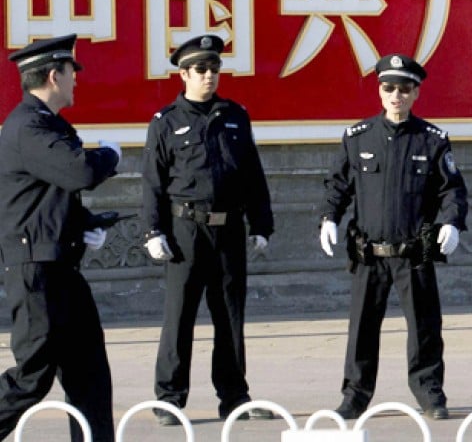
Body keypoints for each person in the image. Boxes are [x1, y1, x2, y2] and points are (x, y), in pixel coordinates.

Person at [319, 53, 468, 421]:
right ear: (379, 90)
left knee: (425, 327)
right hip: (369, 250)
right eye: (389, 88)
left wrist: (451, 222)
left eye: (404, 88)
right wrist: (328, 218)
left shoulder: (432, 140)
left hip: (415, 249)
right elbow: (337, 185)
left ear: (416, 93)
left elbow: (452, 190)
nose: (396, 95)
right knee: (362, 329)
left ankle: (430, 391)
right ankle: (355, 395)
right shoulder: (357, 137)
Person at [140, 34, 275, 425]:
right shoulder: (166, 122)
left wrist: (261, 224)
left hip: (229, 230)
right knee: (179, 318)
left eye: (214, 68)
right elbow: (152, 182)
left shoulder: (234, 115)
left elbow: (252, 175)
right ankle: (169, 398)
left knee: (230, 317)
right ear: (183, 74)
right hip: (186, 231)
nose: (209, 76)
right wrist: (153, 232)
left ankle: (234, 396)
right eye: (200, 69)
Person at [0, 34, 122, 442]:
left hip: (61, 267)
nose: (76, 81)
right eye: (73, 73)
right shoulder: (28, 127)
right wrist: (110, 156)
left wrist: (87, 224)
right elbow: (79, 173)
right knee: (32, 377)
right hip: (36, 272)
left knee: (89, 375)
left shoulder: (48, 126)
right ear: (54, 75)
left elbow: (50, 197)